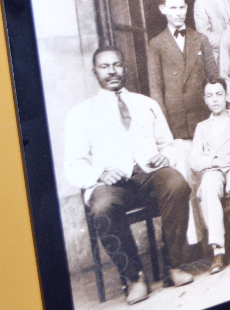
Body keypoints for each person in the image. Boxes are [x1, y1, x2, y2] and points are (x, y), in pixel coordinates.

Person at [64, 46, 193, 304]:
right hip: (111, 183)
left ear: (124, 68)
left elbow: (167, 144)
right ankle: (134, 278)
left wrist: (165, 156)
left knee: (177, 184)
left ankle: (172, 267)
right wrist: (100, 173)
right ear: (94, 72)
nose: (112, 71)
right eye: (104, 66)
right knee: (102, 207)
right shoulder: (81, 113)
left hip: (148, 174)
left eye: (117, 65)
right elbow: (73, 165)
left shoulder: (146, 103)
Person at [189, 78, 230, 274]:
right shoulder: (202, 127)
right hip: (214, 169)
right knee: (208, 185)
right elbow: (194, 161)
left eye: (219, 94)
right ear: (205, 100)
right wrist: (214, 161)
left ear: (226, 97)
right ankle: (218, 249)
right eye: (210, 96)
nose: (215, 99)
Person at [147, 0, 219, 140]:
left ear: (186, 8)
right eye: (173, 8)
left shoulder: (201, 39)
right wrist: (163, 126)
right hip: (176, 123)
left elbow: (213, 79)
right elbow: (156, 91)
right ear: (163, 9)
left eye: (181, 7)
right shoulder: (156, 44)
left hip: (203, 118)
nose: (178, 13)